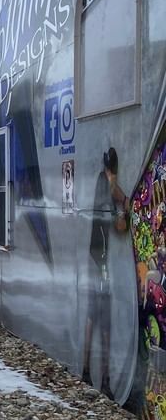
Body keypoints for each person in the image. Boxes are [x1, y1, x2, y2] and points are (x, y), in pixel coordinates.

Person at [83, 147, 129, 399]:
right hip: (98, 262)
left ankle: (89, 371)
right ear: (112, 170)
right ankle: (104, 379)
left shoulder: (103, 183)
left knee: (93, 318)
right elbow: (121, 227)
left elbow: (117, 193)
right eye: (114, 173)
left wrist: (123, 200)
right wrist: (124, 208)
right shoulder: (106, 188)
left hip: (95, 260)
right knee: (104, 323)